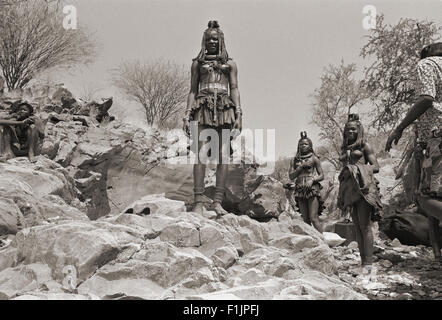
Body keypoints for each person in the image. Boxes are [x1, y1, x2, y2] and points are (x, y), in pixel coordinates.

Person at [386, 42, 442, 260]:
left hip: (438, 137)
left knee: (426, 197)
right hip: (432, 141)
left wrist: (400, 127)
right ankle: (437, 253)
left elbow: (427, 98)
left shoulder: (427, 64)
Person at [182, 21, 242, 216]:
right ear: (204, 41)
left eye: (215, 39)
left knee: (224, 156)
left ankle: (217, 202)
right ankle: (198, 202)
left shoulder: (230, 64)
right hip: (202, 105)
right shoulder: (197, 63)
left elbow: (234, 88)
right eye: (209, 39)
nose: (212, 42)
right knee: (200, 155)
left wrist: (239, 113)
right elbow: (192, 90)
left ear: (221, 40)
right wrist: (187, 113)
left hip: (224, 106)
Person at [338, 114, 382, 273]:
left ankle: (369, 264)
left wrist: (357, 169)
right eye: (347, 129)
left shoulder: (365, 146)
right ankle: (362, 262)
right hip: (349, 189)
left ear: (359, 129)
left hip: (363, 187)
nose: (349, 131)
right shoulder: (346, 148)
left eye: (353, 129)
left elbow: (375, 166)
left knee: (365, 226)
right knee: (356, 226)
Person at [286, 131, 324, 232]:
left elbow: (321, 175)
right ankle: (311, 241)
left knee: (313, 218)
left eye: (306, 144)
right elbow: (291, 176)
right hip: (299, 189)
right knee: (305, 219)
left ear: (310, 146)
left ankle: (322, 241)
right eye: (301, 144)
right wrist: (300, 167)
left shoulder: (314, 158)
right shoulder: (294, 160)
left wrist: (312, 180)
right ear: (298, 146)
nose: (303, 146)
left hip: (312, 188)